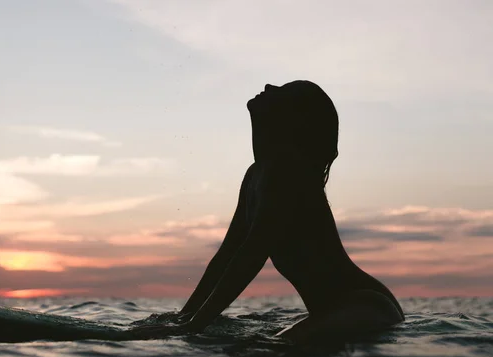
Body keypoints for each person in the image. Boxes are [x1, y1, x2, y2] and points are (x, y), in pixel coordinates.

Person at [129, 80, 404, 343]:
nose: (270, 87)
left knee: (277, 346)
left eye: (284, 93)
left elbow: (252, 254)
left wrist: (195, 326)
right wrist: (184, 316)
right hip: (346, 308)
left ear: (295, 120)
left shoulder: (287, 175)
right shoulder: (256, 175)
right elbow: (227, 255)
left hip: (362, 305)